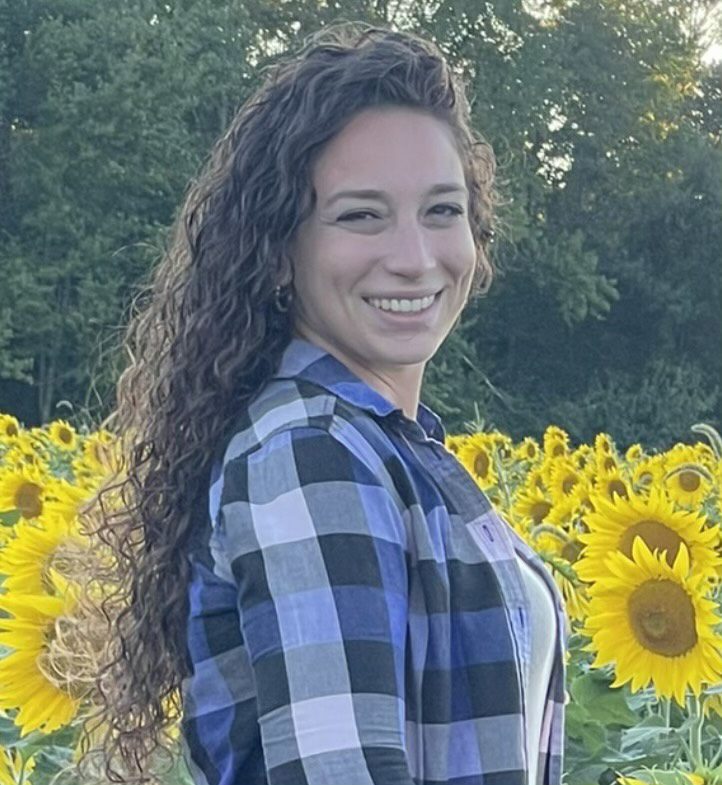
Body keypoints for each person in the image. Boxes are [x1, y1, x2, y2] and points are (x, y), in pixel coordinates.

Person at [78, 20, 568, 785]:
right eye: (361, 215)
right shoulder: (314, 454)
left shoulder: (389, 448)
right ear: (280, 249)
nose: (413, 258)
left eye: (441, 210)